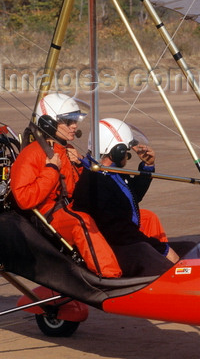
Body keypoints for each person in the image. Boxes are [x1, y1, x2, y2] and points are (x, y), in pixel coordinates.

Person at [10, 93, 122, 277]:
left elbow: (78, 189)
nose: (74, 126)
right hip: (49, 217)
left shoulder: (68, 150)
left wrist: (81, 164)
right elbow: (24, 199)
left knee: (124, 214)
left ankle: (146, 264)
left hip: (70, 208)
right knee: (82, 222)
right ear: (49, 123)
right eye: (68, 121)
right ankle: (111, 275)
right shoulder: (33, 154)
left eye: (75, 120)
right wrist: (51, 169)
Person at [72, 118, 179, 277]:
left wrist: (147, 167)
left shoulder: (108, 173)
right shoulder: (95, 182)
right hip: (117, 248)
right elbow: (121, 231)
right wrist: (161, 249)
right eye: (126, 152)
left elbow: (130, 196)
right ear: (117, 152)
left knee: (189, 248)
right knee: (164, 257)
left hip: (126, 242)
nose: (128, 156)